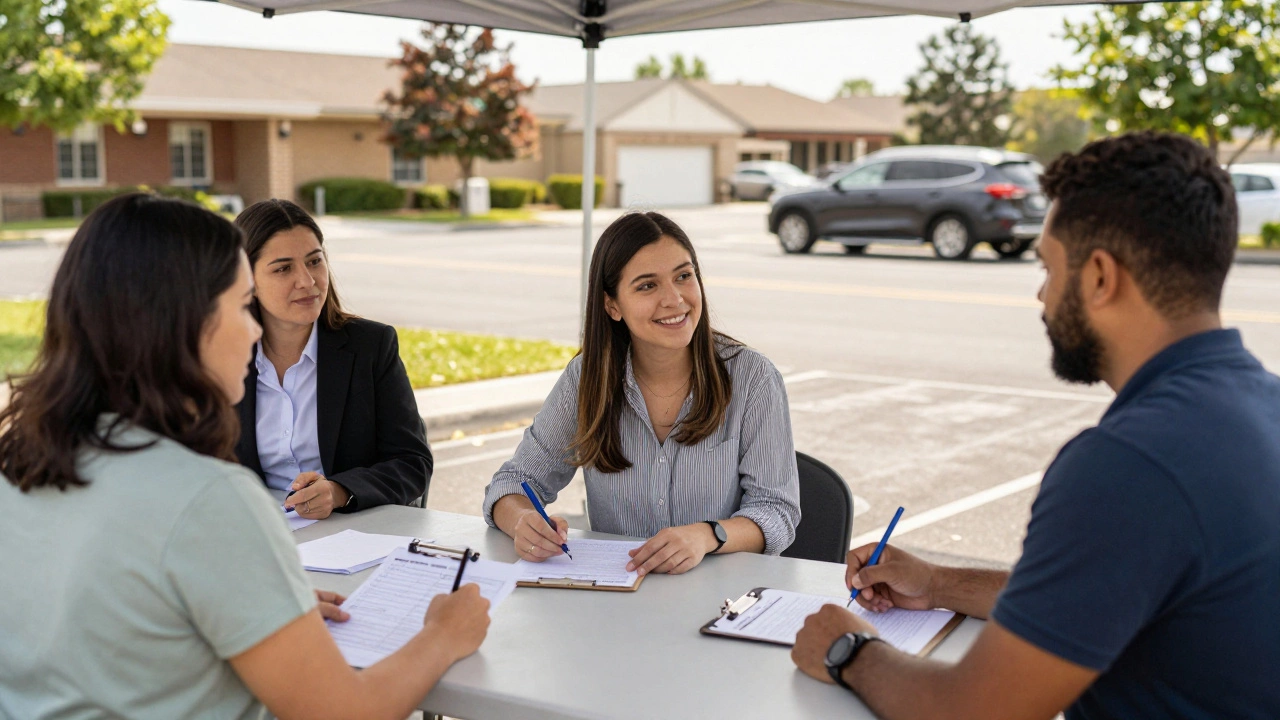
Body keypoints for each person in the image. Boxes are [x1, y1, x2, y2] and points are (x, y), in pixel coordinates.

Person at [791, 131, 1280, 719]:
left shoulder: (1130, 463)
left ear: (1100, 276)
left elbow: (973, 711)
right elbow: (1104, 591)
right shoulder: (1256, 407)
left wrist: (849, 649)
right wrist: (939, 584)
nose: (1042, 294)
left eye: (1049, 266)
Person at [0, 194, 490, 719]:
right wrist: (443, 634)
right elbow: (344, 713)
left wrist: (257, 598)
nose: (254, 329)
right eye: (240, 304)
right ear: (181, 323)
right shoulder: (209, 497)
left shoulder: (21, 461)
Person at [482, 211, 801, 576]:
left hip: (723, 596)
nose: (674, 299)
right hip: (620, 598)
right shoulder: (587, 377)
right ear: (612, 305)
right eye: (648, 286)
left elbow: (777, 512)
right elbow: (512, 483)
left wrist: (707, 535)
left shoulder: (752, 377)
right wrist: (523, 521)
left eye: (684, 276)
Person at [233, 199, 430, 519]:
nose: (307, 281)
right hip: (253, 532)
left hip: (348, 533)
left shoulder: (371, 346)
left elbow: (412, 462)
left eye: (314, 262)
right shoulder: (221, 357)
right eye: (284, 268)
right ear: (247, 281)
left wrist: (341, 491)